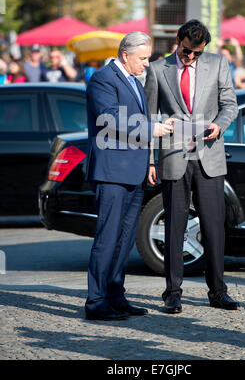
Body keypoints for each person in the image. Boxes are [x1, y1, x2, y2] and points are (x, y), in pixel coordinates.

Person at [144, 19, 240, 313]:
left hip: (209, 156)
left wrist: (219, 125)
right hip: (173, 157)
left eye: (197, 53)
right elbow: (149, 117)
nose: (191, 57)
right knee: (174, 227)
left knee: (213, 228)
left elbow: (230, 105)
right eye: (187, 51)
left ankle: (218, 292)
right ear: (178, 40)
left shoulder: (218, 64)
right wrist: (150, 160)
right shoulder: (158, 70)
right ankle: (172, 292)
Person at [85, 31, 174, 321]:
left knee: (123, 240)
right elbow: (109, 119)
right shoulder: (103, 78)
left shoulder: (134, 80)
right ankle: (96, 302)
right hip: (112, 173)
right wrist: (152, 130)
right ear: (126, 54)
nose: (147, 64)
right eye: (143, 58)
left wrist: (158, 123)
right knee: (107, 239)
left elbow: (133, 119)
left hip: (132, 173)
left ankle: (115, 295)